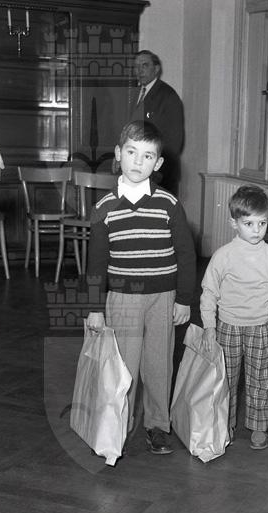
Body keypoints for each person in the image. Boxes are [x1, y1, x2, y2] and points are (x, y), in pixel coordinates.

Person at [86, 120, 196, 456]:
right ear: (118, 154)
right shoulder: (103, 209)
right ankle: (115, 427)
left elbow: (186, 254)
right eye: (132, 152)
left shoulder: (168, 204)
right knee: (123, 367)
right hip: (122, 300)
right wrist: (94, 308)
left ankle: (158, 425)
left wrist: (184, 299)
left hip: (163, 298)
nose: (138, 161)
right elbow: (95, 264)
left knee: (159, 365)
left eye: (147, 156)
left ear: (157, 163)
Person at [200, 185, 268, 450]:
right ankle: (225, 423)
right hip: (228, 326)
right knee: (226, 380)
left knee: (260, 379)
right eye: (248, 223)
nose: (256, 230)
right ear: (234, 223)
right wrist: (209, 326)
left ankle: (258, 427)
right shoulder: (223, 256)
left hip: (261, 328)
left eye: (262, 223)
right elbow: (209, 292)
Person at [130, 50, 184, 196]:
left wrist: (154, 167)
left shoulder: (168, 96)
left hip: (159, 173)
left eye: (144, 65)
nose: (139, 70)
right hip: (137, 169)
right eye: (136, 66)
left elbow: (174, 141)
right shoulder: (135, 94)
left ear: (156, 69)